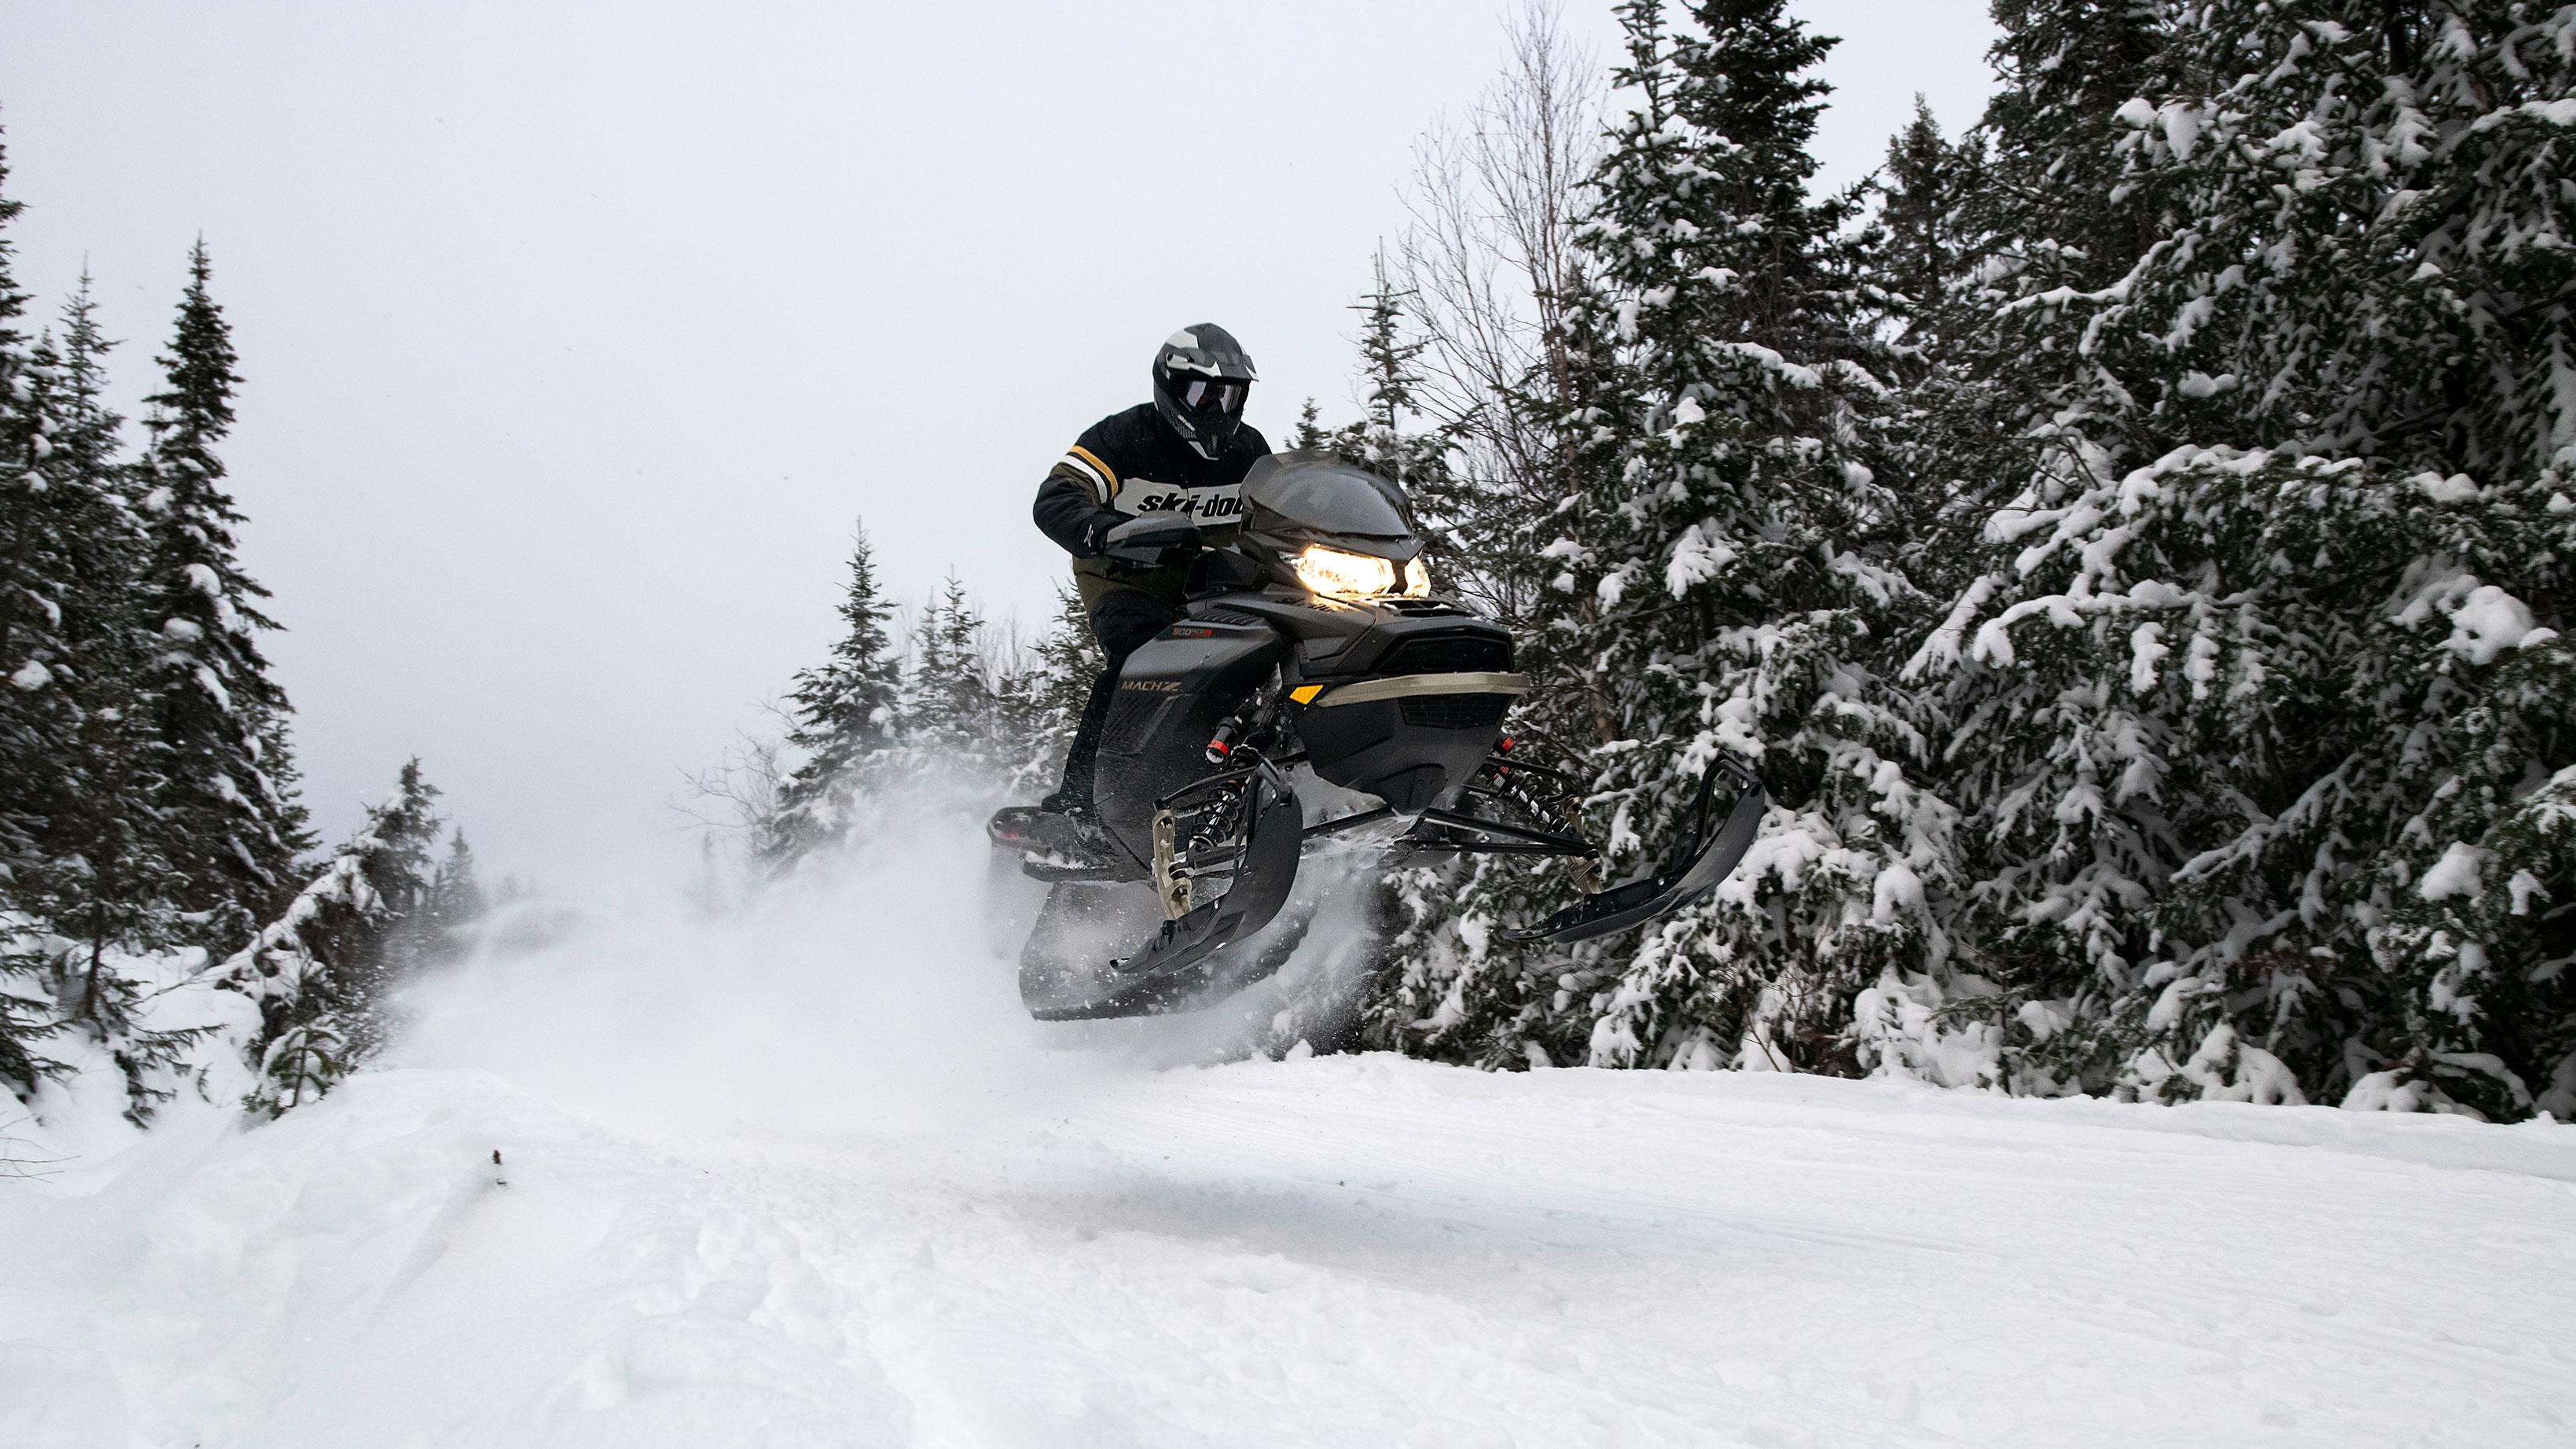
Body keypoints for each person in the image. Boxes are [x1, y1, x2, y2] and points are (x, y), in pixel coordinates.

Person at [1024, 324, 1269, 851]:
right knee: (1145, 660)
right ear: (1171, 387)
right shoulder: (1121, 438)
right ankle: (1078, 803)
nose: (1219, 407)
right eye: (1206, 393)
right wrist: (1105, 530)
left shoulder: (1248, 450)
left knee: (1276, 651)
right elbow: (1057, 496)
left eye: (1230, 394)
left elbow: (1282, 509)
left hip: (1216, 587)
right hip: (1126, 581)